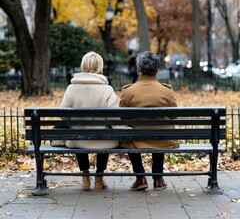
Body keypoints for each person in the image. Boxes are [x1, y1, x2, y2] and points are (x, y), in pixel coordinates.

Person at [119, 51, 179, 191]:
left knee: (129, 138)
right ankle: (158, 179)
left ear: (139, 69)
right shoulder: (167, 91)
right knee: (160, 132)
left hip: (137, 139)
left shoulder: (128, 91)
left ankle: (140, 178)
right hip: (162, 140)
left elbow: (122, 118)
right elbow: (173, 116)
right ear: (157, 70)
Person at [60, 51, 119, 191]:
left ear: (83, 66)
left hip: (78, 139)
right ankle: (99, 177)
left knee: (78, 133)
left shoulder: (71, 88)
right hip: (103, 140)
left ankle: (85, 177)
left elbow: (63, 114)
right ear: (100, 66)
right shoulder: (107, 89)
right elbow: (114, 117)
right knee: (105, 135)